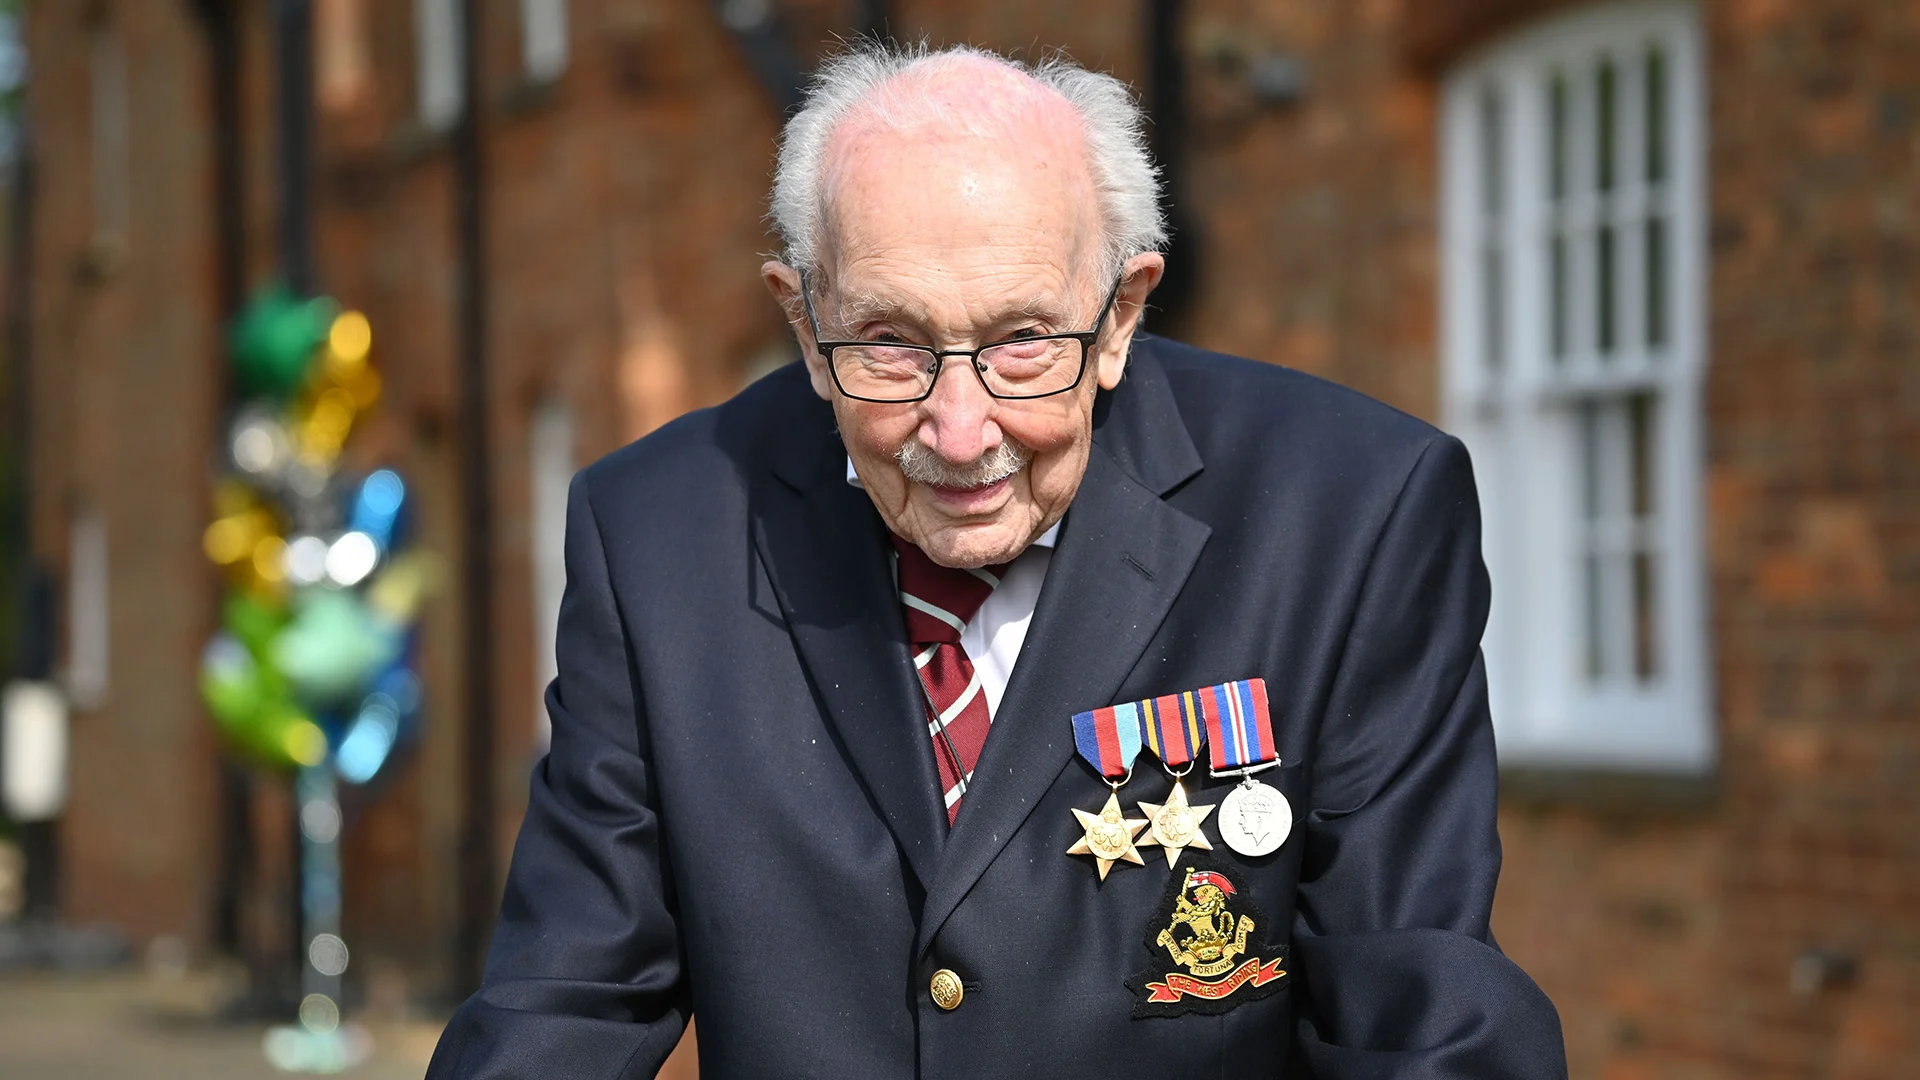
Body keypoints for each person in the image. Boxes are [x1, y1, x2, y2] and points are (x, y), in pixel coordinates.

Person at [428, 42, 1567, 1079]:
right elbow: (561, 1008)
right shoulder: (656, 537)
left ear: (1121, 314)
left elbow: (1420, 1008)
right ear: (803, 321)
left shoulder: (1350, 514)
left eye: (1025, 341)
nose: (961, 429)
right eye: (890, 342)